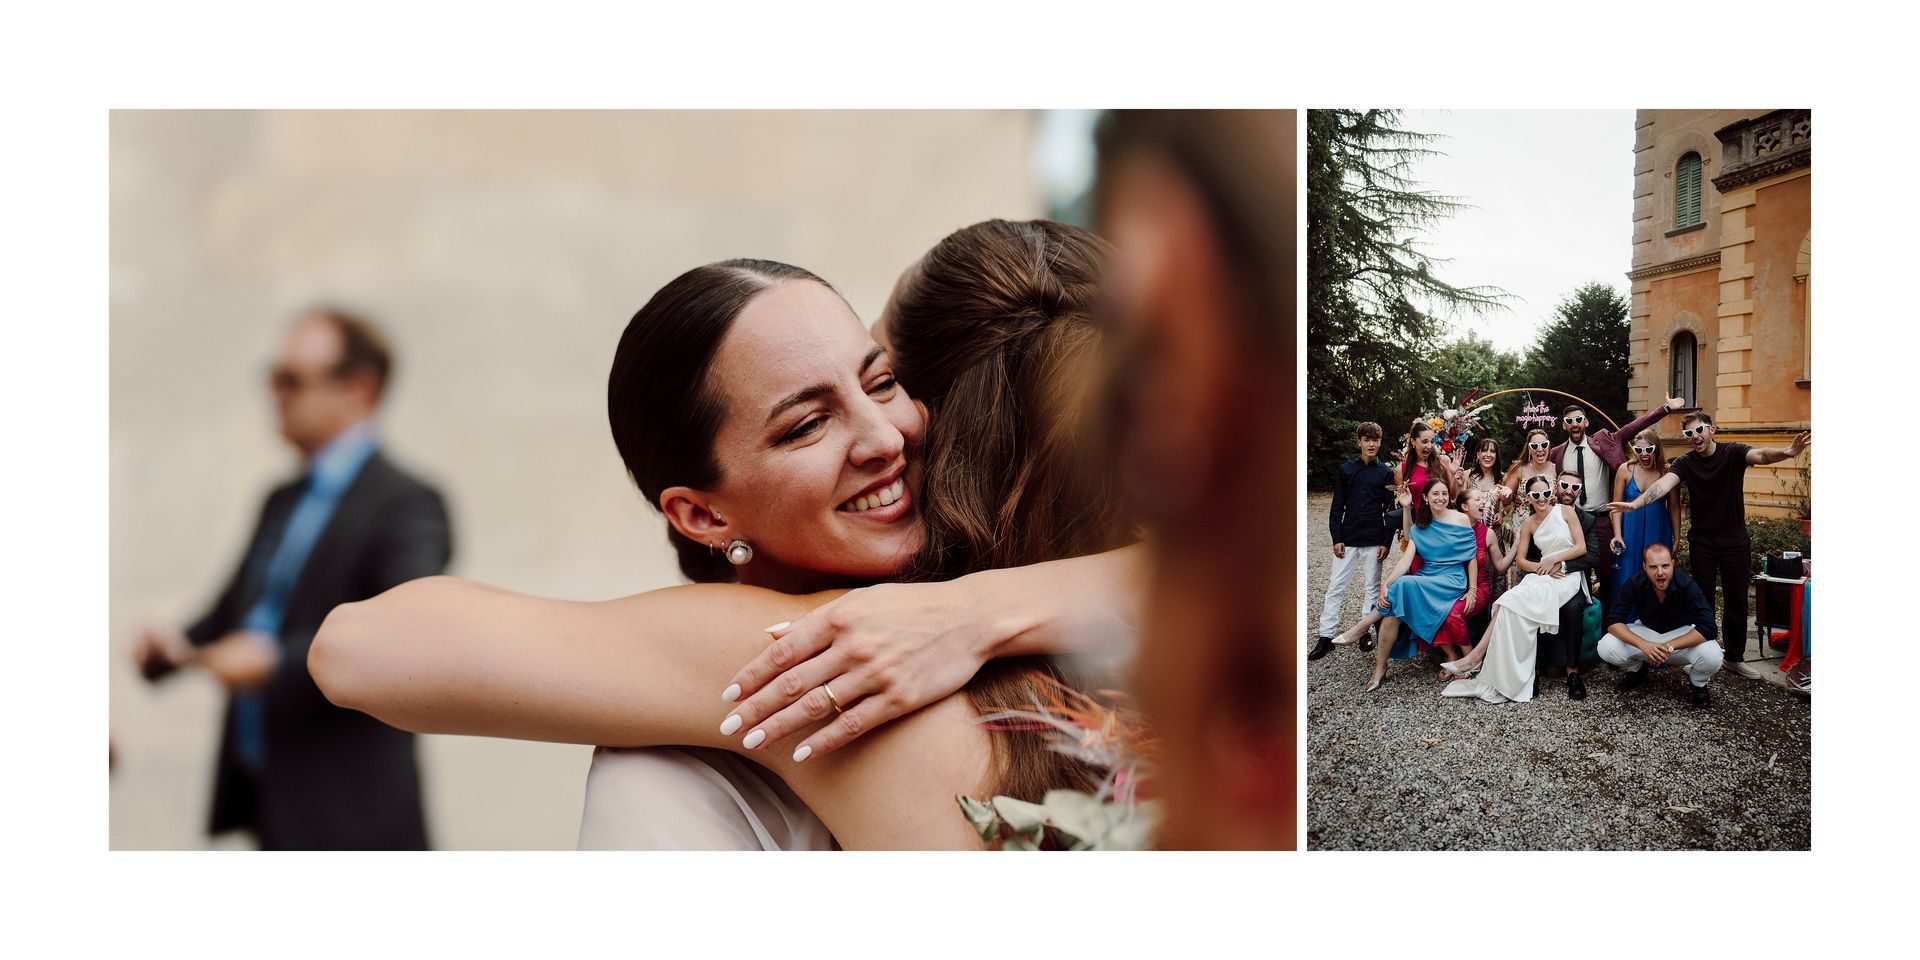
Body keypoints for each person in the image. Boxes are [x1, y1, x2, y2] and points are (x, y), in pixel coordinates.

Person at [313, 227, 1147, 851]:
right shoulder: (797, 657)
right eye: (806, 425)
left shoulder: (840, 653)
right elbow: (354, 647)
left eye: (884, 381)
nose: (884, 437)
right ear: (701, 515)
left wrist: (971, 612)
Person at [135, 309, 452, 849]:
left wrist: (277, 659)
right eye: (272, 377)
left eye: (292, 380)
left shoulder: (407, 504)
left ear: (358, 388)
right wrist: (176, 646)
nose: (276, 394)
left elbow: (403, 632)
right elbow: (234, 610)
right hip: (268, 796)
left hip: (350, 808)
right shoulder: (280, 499)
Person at [1609, 412, 1810, 680]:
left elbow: (1760, 456)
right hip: (1702, 541)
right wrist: (1635, 504)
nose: (1695, 437)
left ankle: (1735, 659)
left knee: (1737, 599)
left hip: (1735, 540)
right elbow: (1663, 485)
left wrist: (1787, 452)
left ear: (1712, 429)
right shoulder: (1685, 463)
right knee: (1699, 600)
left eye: (1699, 430)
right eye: (1689, 434)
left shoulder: (1733, 452)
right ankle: (1701, 654)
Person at [1439, 474, 1586, 704]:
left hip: (1566, 575)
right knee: (1506, 603)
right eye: (1536, 495)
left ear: (1551, 493)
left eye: (1546, 493)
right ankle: (1491, 665)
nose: (1542, 498)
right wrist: (1542, 566)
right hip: (1542, 573)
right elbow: (1521, 561)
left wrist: (1555, 560)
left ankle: (1475, 657)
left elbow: (1581, 547)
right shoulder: (1528, 523)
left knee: (1509, 602)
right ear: (1528, 498)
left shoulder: (1566, 512)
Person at [1551, 397, 1684, 611]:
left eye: (1578, 419)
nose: (1574, 423)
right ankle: (1581, 627)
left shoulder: (1604, 440)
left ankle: (1608, 625)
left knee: (1609, 573)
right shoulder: (1557, 453)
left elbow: (1634, 428)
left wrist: (1666, 408)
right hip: (1572, 522)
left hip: (1602, 520)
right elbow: (1535, 466)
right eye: (1569, 420)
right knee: (1575, 576)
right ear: (1564, 425)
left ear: (1586, 422)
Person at [1360, 477, 1477, 693]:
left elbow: (1471, 557)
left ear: (1449, 497)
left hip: (1451, 581)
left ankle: (1362, 625)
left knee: (1404, 585)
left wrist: (1472, 589)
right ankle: (1379, 668)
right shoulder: (1422, 524)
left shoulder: (1460, 519)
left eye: (1444, 493)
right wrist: (1386, 583)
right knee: (1391, 616)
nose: (1440, 497)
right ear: (1425, 498)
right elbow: (1406, 555)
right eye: (1435, 494)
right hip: (1426, 578)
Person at [1599, 542, 1723, 708]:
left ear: (1673, 563)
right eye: (1653, 567)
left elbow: (1709, 627)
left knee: (1713, 655)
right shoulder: (1636, 582)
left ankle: (1698, 684)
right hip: (1647, 632)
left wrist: (1668, 646)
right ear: (1644, 567)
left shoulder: (1686, 584)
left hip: (1680, 635)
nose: (1660, 573)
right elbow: (1613, 621)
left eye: (1665, 566)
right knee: (1606, 646)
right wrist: (1643, 645)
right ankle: (1637, 669)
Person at [1309, 421, 1394, 661]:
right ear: (1359, 442)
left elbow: (1389, 510)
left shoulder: (1385, 472)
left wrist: (1386, 542)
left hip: (1374, 538)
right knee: (1336, 586)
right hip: (1348, 537)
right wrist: (1337, 537)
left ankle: (1364, 631)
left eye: (1375, 440)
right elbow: (1337, 506)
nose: (1371, 444)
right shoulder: (1346, 470)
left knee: (1372, 588)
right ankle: (1326, 636)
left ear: (1380, 442)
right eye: (1366, 440)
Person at [1530, 468, 1607, 699]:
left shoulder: (1588, 520)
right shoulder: (1542, 513)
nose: (1568, 491)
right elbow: (1533, 553)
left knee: (1573, 608)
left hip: (1573, 578)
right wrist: (1542, 570)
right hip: (1543, 576)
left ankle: (1573, 673)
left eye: (1574, 487)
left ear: (1579, 492)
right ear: (1556, 486)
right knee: (1532, 604)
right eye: (1564, 485)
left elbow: (1592, 556)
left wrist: (1561, 566)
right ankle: (1533, 670)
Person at [1607, 428, 1680, 599]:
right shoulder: (1625, 470)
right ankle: (1626, 621)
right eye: (1639, 450)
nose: (1644, 454)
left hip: (1659, 530)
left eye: (1649, 449)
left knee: (1657, 573)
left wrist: (1677, 538)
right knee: (1628, 572)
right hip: (1630, 532)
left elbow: (1675, 507)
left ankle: (1656, 619)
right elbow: (1616, 507)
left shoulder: (1668, 472)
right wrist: (1617, 534)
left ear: (1657, 449)